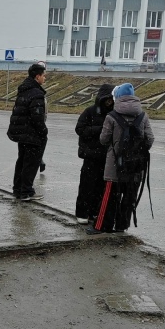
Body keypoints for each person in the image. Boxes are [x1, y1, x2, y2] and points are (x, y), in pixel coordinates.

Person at [87, 83, 154, 235]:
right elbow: (150, 139)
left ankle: (102, 226)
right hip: (135, 166)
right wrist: (136, 152)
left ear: (117, 97)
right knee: (129, 198)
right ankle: (121, 226)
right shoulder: (143, 116)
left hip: (114, 165)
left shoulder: (111, 116)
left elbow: (103, 139)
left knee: (109, 197)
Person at [6, 62, 48, 200]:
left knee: (22, 161)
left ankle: (18, 189)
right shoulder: (36, 93)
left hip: (22, 133)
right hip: (32, 134)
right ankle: (26, 192)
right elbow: (37, 117)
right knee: (31, 163)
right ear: (37, 77)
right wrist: (43, 131)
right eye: (43, 75)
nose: (44, 78)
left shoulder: (24, 89)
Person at [74, 84, 114, 224]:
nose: (109, 102)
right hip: (91, 155)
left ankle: (95, 212)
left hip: (106, 157)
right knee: (87, 185)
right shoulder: (90, 111)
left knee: (101, 187)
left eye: (111, 99)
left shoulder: (113, 113)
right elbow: (80, 129)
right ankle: (82, 213)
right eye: (107, 99)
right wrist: (99, 130)